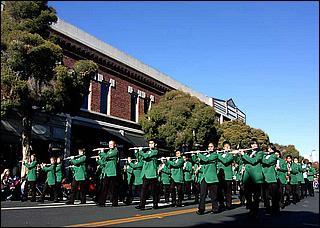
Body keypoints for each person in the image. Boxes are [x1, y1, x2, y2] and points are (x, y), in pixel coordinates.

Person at [238, 139, 264, 219]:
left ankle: (254, 212)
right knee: (247, 194)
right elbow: (241, 161)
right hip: (247, 177)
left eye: (255, 144)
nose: (254, 145)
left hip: (256, 177)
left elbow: (253, 161)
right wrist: (239, 154)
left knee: (256, 196)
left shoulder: (260, 152)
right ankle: (251, 208)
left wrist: (243, 154)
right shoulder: (248, 153)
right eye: (252, 144)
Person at [194, 143, 219, 215]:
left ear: (214, 147)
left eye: (211, 146)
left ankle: (215, 208)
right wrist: (194, 154)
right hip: (204, 177)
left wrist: (199, 154)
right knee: (202, 194)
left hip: (212, 177)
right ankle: (201, 209)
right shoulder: (205, 154)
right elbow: (198, 161)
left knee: (213, 195)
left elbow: (206, 160)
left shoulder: (215, 155)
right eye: (209, 146)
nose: (210, 148)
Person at [135, 139, 159, 210]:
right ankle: (142, 205)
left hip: (152, 173)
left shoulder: (155, 151)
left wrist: (141, 151)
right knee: (143, 190)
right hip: (145, 173)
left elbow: (146, 156)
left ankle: (155, 204)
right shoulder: (147, 151)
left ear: (155, 144)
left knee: (153, 190)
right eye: (149, 143)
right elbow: (141, 159)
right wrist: (137, 152)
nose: (150, 145)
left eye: (152, 143)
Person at [96, 140, 119, 207]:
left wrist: (102, 152)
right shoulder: (108, 151)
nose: (110, 145)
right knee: (104, 188)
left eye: (111, 144)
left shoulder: (115, 151)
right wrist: (100, 155)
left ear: (114, 145)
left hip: (112, 172)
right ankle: (102, 202)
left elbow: (106, 156)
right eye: (109, 144)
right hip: (107, 171)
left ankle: (115, 202)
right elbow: (104, 160)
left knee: (113, 188)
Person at [261, 144, 279, 215]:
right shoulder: (265, 155)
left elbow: (268, 162)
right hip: (264, 177)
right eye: (268, 148)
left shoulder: (274, 156)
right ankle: (268, 208)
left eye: (271, 148)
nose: (269, 149)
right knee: (266, 196)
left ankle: (275, 209)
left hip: (272, 178)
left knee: (274, 195)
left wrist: (261, 157)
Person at [217, 141, 234, 211]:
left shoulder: (230, 155)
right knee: (220, 191)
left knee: (228, 192)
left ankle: (228, 204)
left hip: (228, 176)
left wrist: (218, 155)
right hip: (220, 176)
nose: (226, 148)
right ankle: (221, 204)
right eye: (225, 146)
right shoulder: (221, 154)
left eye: (228, 146)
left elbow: (225, 161)